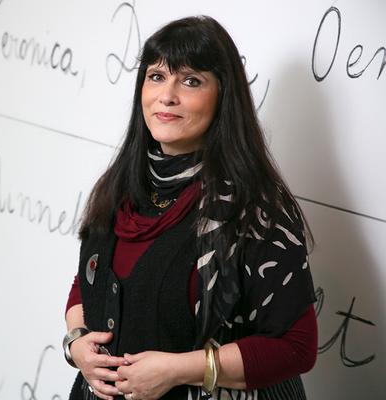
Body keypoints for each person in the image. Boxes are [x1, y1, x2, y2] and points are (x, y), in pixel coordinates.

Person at [62, 15, 317, 400]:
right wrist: (77, 344)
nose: (168, 95)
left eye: (191, 80)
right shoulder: (120, 187)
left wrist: (177, 369)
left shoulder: (254, 206)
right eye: (157, 76)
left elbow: (296, 347)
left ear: (223, 96)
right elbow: (87, 283)